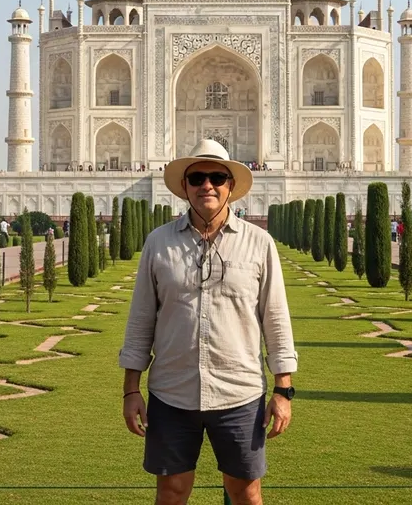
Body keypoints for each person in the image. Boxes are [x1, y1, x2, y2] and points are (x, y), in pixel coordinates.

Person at [119, 139, 297, 505]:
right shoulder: (159, 243)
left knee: (246, 491)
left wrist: (283, 390)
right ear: (185, 187)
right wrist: (131, 389)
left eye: (217, 177)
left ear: (231, 185)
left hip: (239, 392)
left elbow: (275, 319)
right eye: (197, 177)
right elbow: (140, 320)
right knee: (171, 491)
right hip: (172, 393)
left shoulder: (259, 243)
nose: (207, 186)